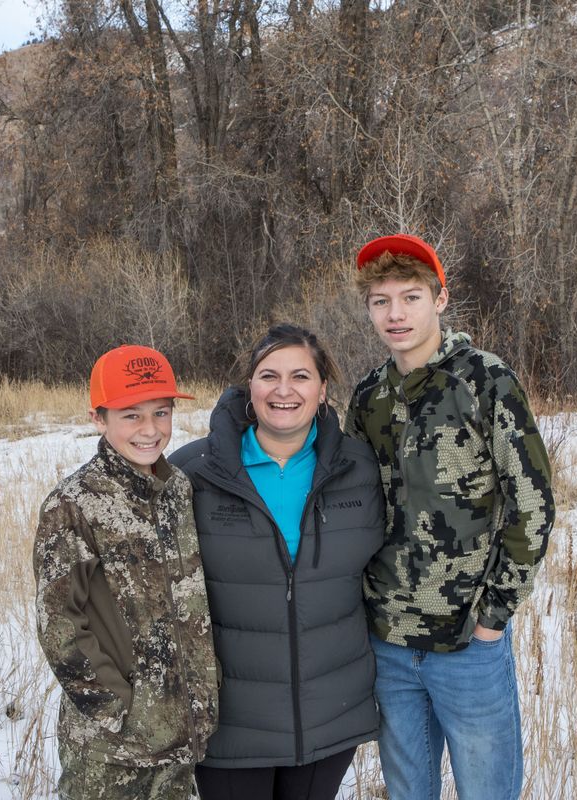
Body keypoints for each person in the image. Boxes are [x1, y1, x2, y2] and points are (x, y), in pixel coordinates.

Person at [345, 234, 555, 800]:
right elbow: (353, 506)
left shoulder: (486, 380)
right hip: (389, 641)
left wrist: (494, 615)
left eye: (410, 297)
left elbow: (532, 502)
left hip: (467, 642)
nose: (395, 314)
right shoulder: (369, 396)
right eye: (381, 301)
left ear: (440, 299)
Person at [170, 324, 384, 800]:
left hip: (329, 715)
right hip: (230, 726)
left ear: (323, 388)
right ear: (250, 387)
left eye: (301, 376)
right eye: (269, 376)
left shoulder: (361, 469)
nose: (284, 390)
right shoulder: (192, 473)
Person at [33, 345, 218, 800]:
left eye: (161, 412)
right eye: (130, 415)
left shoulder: (178, 490)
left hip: (180, 742)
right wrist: (118, 709)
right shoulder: (74, 504)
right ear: (99, 418)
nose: (150, 430)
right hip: (111, 752)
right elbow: (57, 622)